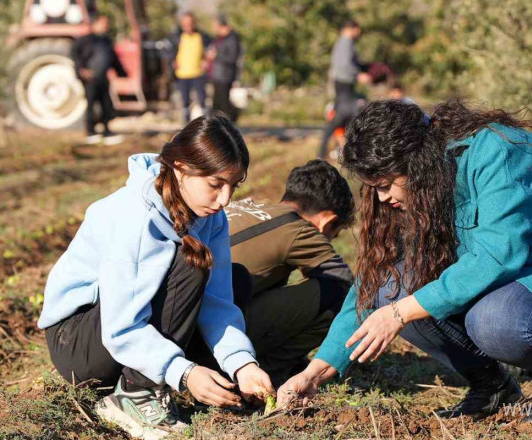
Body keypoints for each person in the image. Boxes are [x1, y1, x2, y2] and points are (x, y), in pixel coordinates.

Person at [279, 100, 532, 427]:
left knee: (491, 320)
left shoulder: (501, 150)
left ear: (416, 161)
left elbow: (499, 254)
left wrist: (401, 313)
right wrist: (318, 370)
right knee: (393, 286)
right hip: (505, 288)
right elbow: (372, 283)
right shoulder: (422, 185)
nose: (382, 197)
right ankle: (492, 387)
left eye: (385, 185)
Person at [38, 112, 274, 437]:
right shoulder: (135, 218)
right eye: (215, 184)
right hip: (79, 342)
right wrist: (184, 372)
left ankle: (154, 375)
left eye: (233, 185)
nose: (225, 199)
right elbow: (120, 328)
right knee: (191, 266)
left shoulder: (211, 218)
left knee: (236, 280)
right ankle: (133, 394)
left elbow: (216, 302)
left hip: (119, 329)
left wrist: (241, 362)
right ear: (180, 169)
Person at [224, 160, 355, 384]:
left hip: (175, 328)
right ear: (327, 221)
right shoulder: (297, 227)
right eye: (334, 234)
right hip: (211, 340)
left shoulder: (246, 205)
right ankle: (271, 372)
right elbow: (347, 285)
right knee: (340, 295)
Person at [317, 20, 371, 160]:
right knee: (341, 118)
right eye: (358, 30)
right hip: (343, 87)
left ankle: (330, 151)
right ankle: (324, 152)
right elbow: (344, 65)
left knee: (340, 120)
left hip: (346, 87)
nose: (359, 34)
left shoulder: (347, 44)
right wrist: (358, 75)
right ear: (352, 29)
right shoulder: (345, 44)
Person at [71, 15, 127, 145]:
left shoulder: (106, 41)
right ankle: (91, 131)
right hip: (90, 79)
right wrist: (82, 70)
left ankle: (107, 131)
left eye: (107, 24)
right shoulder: (84, 40)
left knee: (106, 105)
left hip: (103, 78)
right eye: (103, 23)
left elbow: (112, 58)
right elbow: (75, 55)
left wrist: (122, 72)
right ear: (95, 24)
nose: (105, 26)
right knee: (91, 105)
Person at [168, 12, 212, 124]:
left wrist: (206, 60)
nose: (187, 26)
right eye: (185, 24)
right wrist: (172, 61)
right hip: (182, 74)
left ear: (194, 23)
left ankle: (204, 123)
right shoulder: (177, 37)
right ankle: (185, 124)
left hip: (198, 73)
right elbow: (168, 51)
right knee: (185, 101)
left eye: (190, 23)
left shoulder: (202, 36)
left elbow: (212, 49)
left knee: (202, 99)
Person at [207, 14, 243, 122]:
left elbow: (232, 58)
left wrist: (216, 56)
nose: (214, 28)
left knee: (223, 103)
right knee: (216, 104)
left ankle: (232, 120)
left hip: (225, 75)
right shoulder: (219, 39)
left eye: (215, 26)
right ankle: (216, 126)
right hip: (217, 74)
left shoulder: (232, 39)